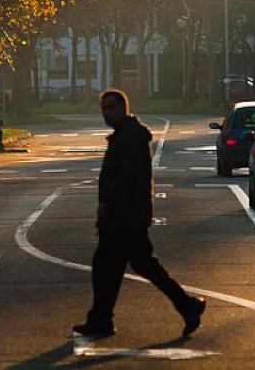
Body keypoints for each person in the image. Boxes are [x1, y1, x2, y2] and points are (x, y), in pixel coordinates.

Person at [73, 89, 206, 339]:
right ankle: (103, 319)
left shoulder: (130, 137)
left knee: (110, 267)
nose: (106, 113)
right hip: (126, 215)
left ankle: (103, 319)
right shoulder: (126, 135)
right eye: (103, 108)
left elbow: (128, 177)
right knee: (128, 266)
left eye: (110, 108)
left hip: (125, 216)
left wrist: (107, 201)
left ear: (123, 107)